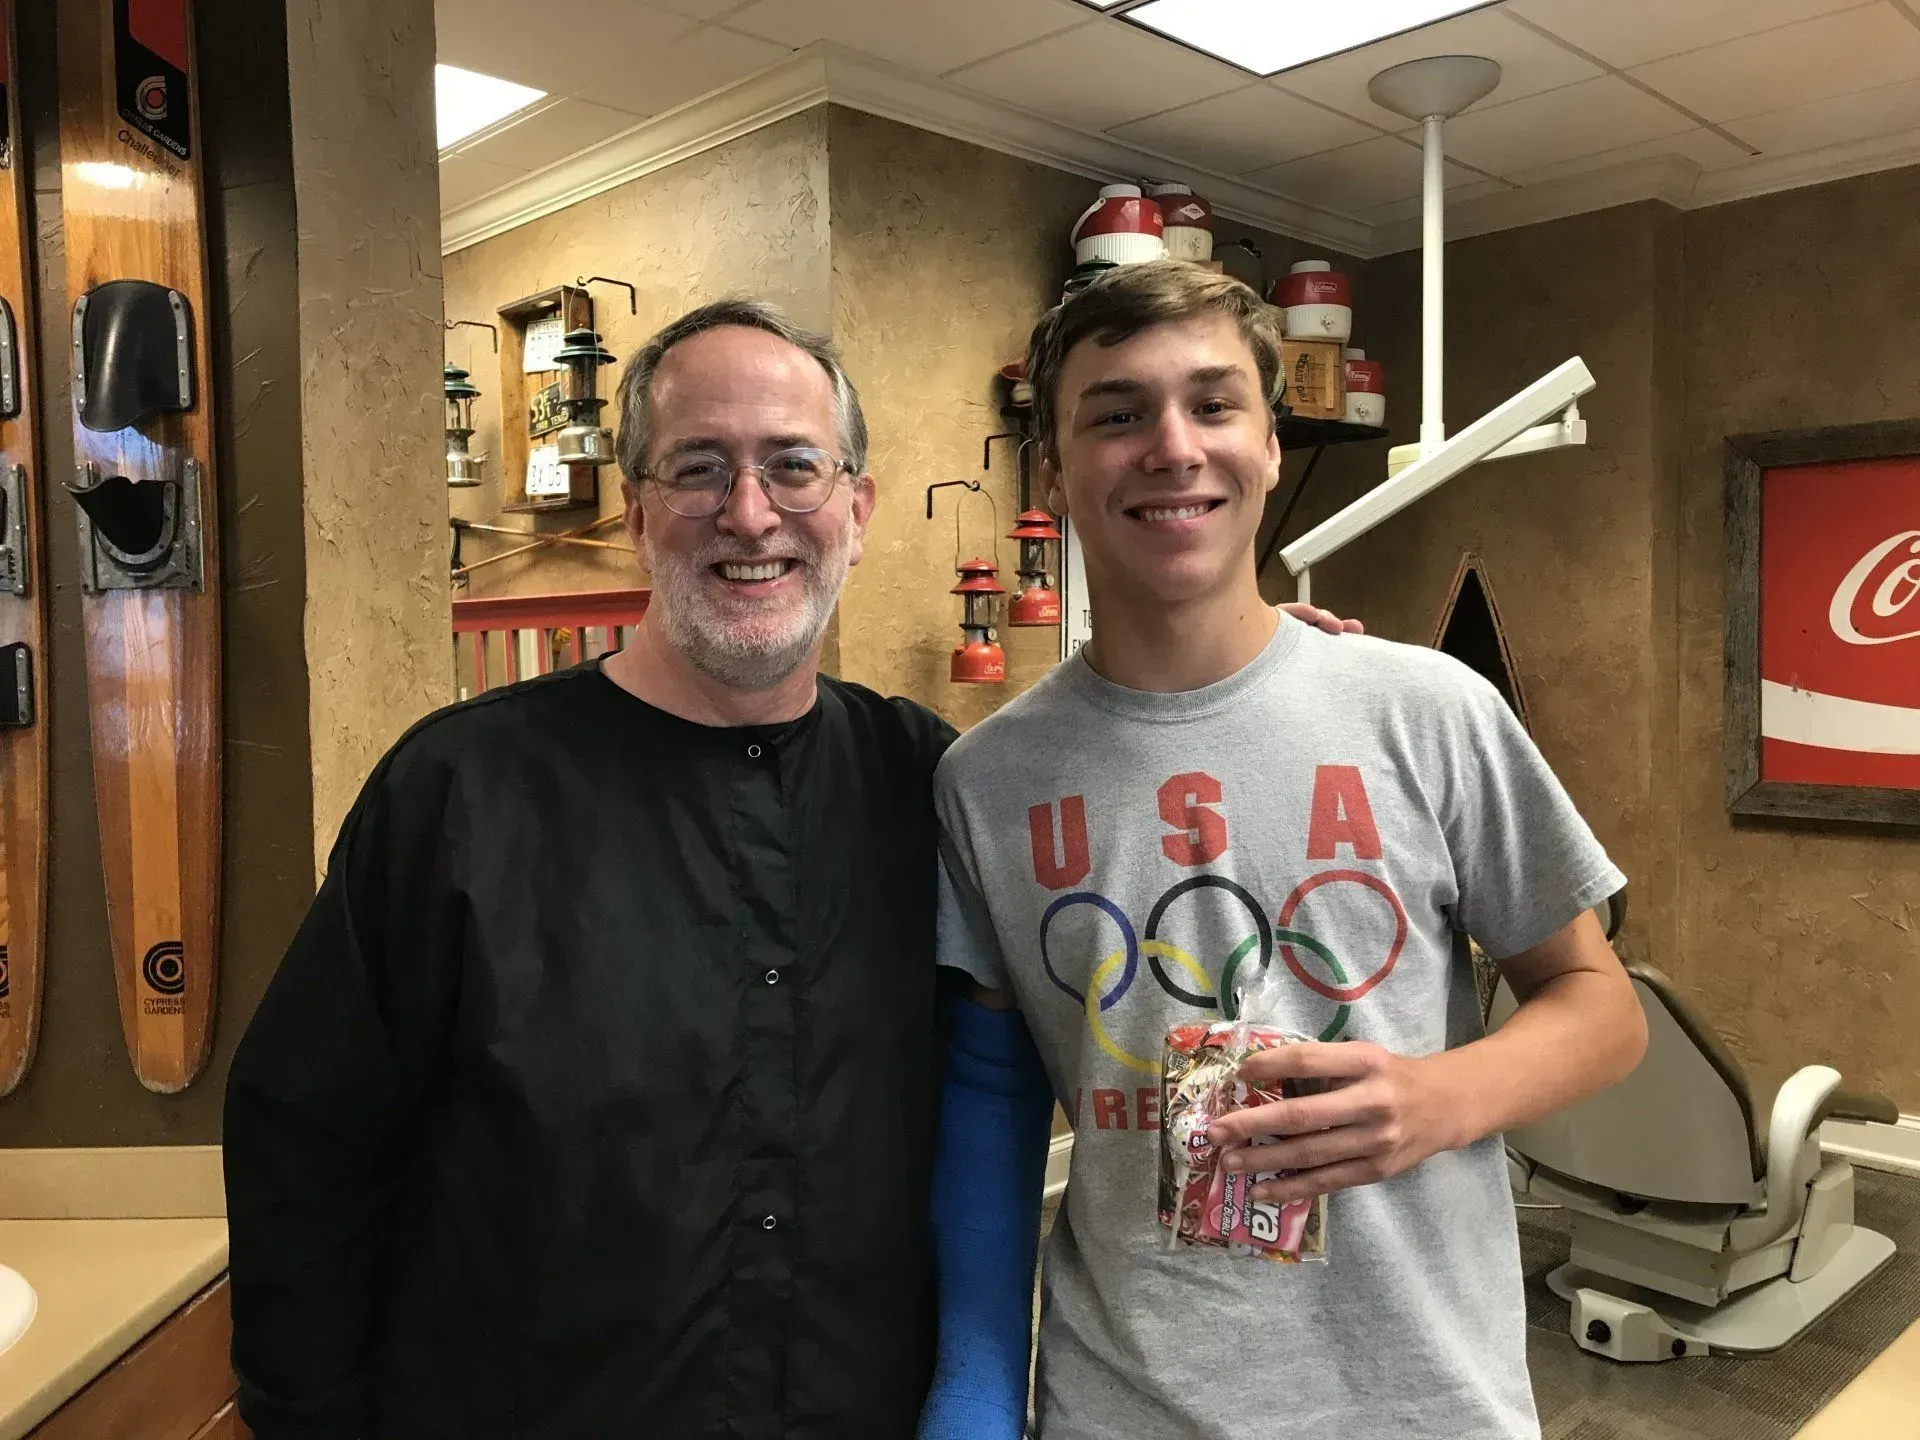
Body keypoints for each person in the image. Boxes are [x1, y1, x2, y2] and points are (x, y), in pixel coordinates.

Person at [223, 295, 1356, 1440]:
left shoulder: (937, 786)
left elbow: (1109, 907)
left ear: (856, 511)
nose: (750, 513)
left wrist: (1274, 686)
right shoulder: (459, 794)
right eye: (699, 469)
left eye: (793, 467)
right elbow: (306, 1155)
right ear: (637, 513)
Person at [924, 260, 1650, 1440]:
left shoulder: (1426, 709)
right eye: (1116, 414)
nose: (1172, 446)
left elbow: (1601, 1006)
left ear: (1268, 444)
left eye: (1213, 405)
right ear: (1050, 470)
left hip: (1424, 1400)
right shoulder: (987, 781)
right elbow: (990, 1106)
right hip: (1124, 1404)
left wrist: (1436, 1099)